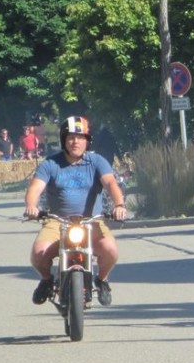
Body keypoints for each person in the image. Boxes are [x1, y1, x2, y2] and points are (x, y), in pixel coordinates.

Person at [24, 116, 126, 307]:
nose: (75, 141)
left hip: (91, 221)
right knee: (38, 254)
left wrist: (119, 205)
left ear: (87, 140)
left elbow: (110, 183)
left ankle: (102, 281)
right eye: (70, 137)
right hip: (58, 222)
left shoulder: (96, 161)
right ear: (64, 140)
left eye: (80, 137)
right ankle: (47, 280)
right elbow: (35, 188)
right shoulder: (51, 164)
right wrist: (31, 206)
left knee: (111, 251)